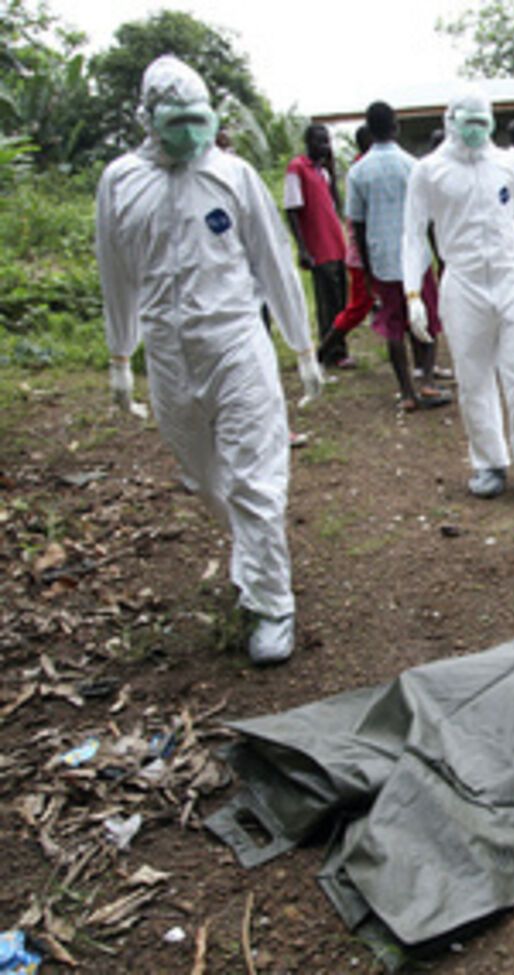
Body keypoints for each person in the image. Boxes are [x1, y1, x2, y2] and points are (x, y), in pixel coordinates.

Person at [95, 55, 324, 664]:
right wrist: (121, 356)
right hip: (168, 351)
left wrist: (302, 347)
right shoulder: (121, 182)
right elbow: (114, 273)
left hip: (235, 340)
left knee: (255, 476)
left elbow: (274, 259)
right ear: (148, 118)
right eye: (178, 120)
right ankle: (252, 554)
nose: (191, 132)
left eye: (200, 118)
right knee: (203, 475)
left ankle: (273, 603)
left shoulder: (234, 174)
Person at [403, 86, 514, 501]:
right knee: (474, 378)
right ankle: (488, 462)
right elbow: (413, 234)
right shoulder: (429, 171)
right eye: (466, 122)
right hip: (464, 281)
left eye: (481, 123)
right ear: (449, 121)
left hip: (510, 278)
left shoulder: (510, 164)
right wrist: (412, 293)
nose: (474, 131)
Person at [345, 101, 450, 413]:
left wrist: (365, 265)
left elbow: (358, 224)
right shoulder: (414, 165)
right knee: (427, 317)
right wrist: (438, 253)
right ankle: (427, 381)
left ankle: (406, 392)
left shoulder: (358, 172)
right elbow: (429, 217)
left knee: (393, 326)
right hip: (416, 257)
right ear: (396, 127)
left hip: (383, 259)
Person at [285, 124, 352, 369]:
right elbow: (292, 210)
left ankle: (339, 347)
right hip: (318, 248)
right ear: (308, 142)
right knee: (327, 302)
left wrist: (331, 171)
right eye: (319, 142)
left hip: (336, 245)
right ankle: (330, 352)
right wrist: (302, 248)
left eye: (327, 142)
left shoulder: (322, 172)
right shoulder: (297, 168)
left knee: (341, 299)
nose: (324, 147)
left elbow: (335, 205)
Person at [320, 124, 375, 357]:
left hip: (368, 252)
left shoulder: (363, 167)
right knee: (357, 309)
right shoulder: (362, 171)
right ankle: (323, 352)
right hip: (363, 255)